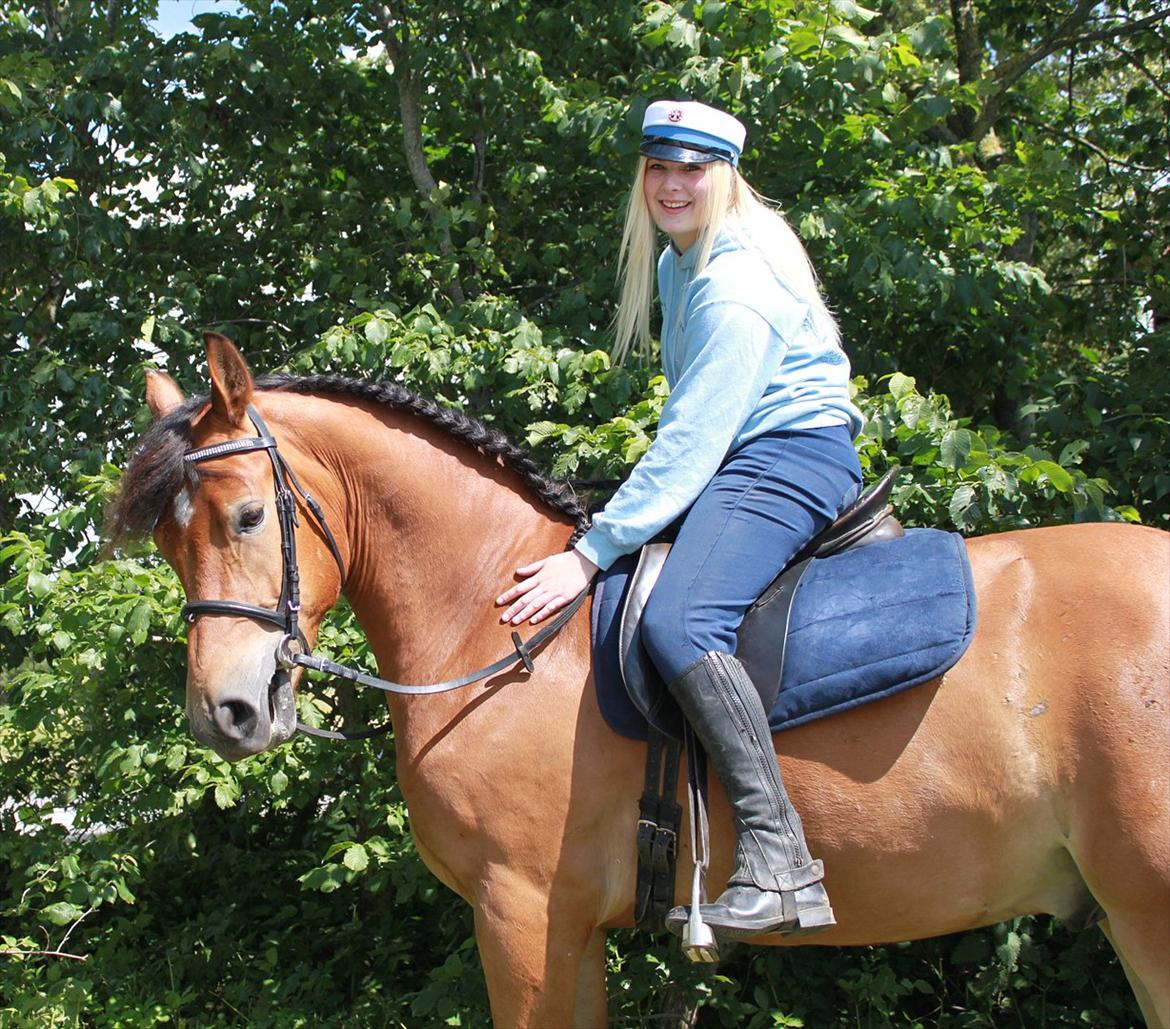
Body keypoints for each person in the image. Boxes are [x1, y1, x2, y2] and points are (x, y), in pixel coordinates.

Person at [496, 99, 864, 940]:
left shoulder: (736, 276)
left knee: (682, 616)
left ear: (723, 177)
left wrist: (589, 553)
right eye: (659, 168)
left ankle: (779, 861)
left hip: (790, 455)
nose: (671, 184)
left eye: (691, 169)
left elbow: (698, 434)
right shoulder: (679, 261)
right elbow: (690, 427)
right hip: (749, 454)